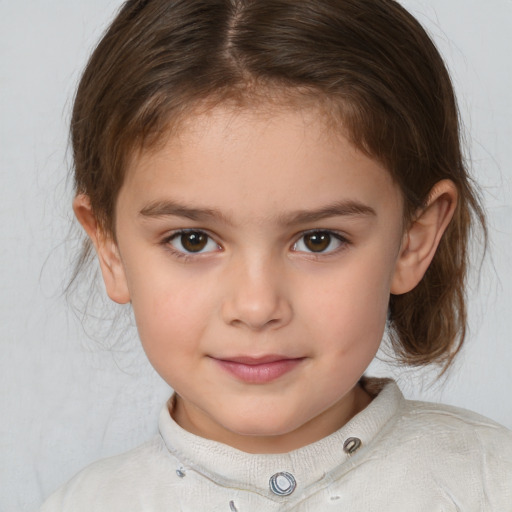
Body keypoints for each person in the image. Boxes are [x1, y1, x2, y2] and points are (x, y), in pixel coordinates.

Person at [41, 0, 512, 510]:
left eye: (318, 240)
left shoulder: (490, 483)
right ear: (109, 246)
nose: (257, 306)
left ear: (413, 240)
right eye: (193, 240)